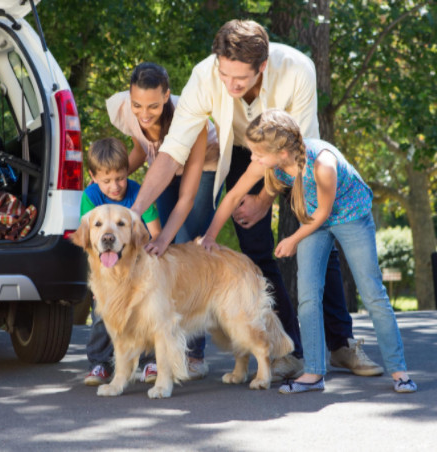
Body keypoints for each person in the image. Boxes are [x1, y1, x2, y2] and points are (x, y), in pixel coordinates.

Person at [130, 19, 383, 381]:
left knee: (316, 239)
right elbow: (171, 153)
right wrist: (135, 211)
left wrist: (266, 198)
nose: (230, 86)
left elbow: (300, 153)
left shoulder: (297, 70)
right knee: (257, 250)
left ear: (261, 67)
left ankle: (341, 343)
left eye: (240, 80)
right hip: (239, 154)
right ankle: (288, 353)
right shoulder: (204, 76)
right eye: (224, 75)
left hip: (293, 158)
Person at [200, 108, 417, 394]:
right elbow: (233, 196)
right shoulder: (271, 163)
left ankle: (399, 372)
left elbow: (324, 213)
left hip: (350, 216)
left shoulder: (322, 164)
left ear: (281, 152)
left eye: (258, 154)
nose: (253, 159)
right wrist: (210, 238)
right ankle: (314, 372)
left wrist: (292, 240)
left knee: (372, 293)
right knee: (307, 297)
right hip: (313, 220)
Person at [106, 62, 219, 380]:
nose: (145, 112)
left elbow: (186, 197)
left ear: (168, 96)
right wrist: (112, 181)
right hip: (162, 169)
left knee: (183, 245)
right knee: (158, 256)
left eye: (154, 106)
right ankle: (159, 346)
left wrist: (165, 237)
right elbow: (143, 149)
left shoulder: (191, 119)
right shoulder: (124, 108)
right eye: (138, 104)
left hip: (203, 170)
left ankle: (193, 354)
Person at [80, 137, 162, 386]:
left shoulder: (139, 192)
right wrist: (98, 283)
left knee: (144, 313)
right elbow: (89, 242)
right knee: (102, 314)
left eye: (120, 178)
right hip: (107, 271)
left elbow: (156, 234)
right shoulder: (91, 196)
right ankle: (100, 363)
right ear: (93, 176)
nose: (115, 187)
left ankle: (150, 361)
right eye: (106, 181)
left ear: (128, 170)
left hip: (138, 267)